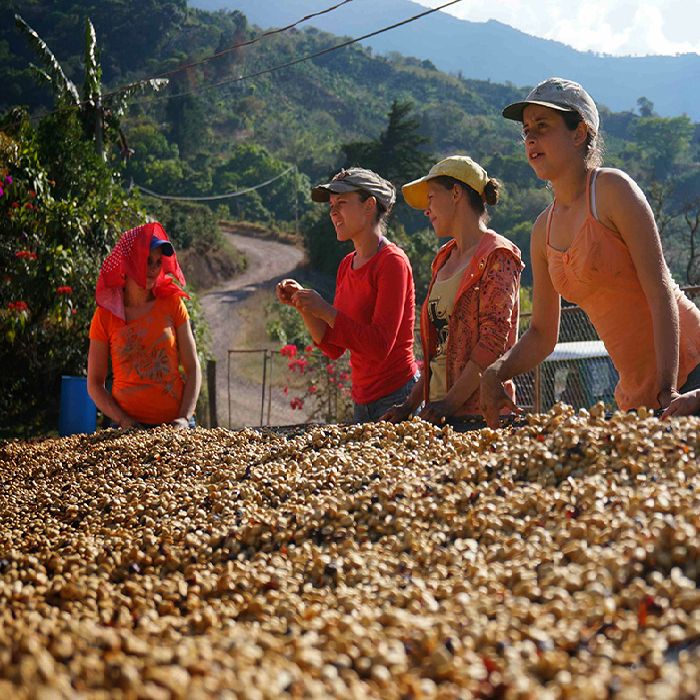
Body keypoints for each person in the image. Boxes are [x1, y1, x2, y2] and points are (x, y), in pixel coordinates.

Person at [480, 77, 700, 427]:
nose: (531, 139)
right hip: (639, 394)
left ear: (579, 132)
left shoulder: (613, 191)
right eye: (526, 131)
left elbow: (659, 293)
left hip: (689, 371)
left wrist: (667, 390)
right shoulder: (542, 230)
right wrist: (496, 371)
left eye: (542, 126)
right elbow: (541, 334)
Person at [381, 155, 523, 425]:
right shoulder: (443, 258)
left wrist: (448, 404)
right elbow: (439, 350)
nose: (427, 209)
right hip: (439, 414)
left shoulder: (498, 255)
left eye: (431, 197)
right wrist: (409, 405)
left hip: (479, 416)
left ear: (456, 193)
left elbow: (493, 343)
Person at [276, 167, 419, 422]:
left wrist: (324, 310)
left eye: (341, 203)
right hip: (361, 401)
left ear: (369, 206)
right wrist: (305, 306)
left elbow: (379, 346)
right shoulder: (346, 264)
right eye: (331, 205)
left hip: (398, 398)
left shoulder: (392, 263)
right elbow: (333, 346)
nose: (332, 212)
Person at [87, 222, 202, 429]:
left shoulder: (172, 303)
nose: (153, 269)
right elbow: (95, 383)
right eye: (147, 261)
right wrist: (123, 420)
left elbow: (193, 368)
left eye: (158, 262)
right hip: (126, 428)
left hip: (176, 426)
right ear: (130, 262)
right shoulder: (105, 314)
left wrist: (184, 419)